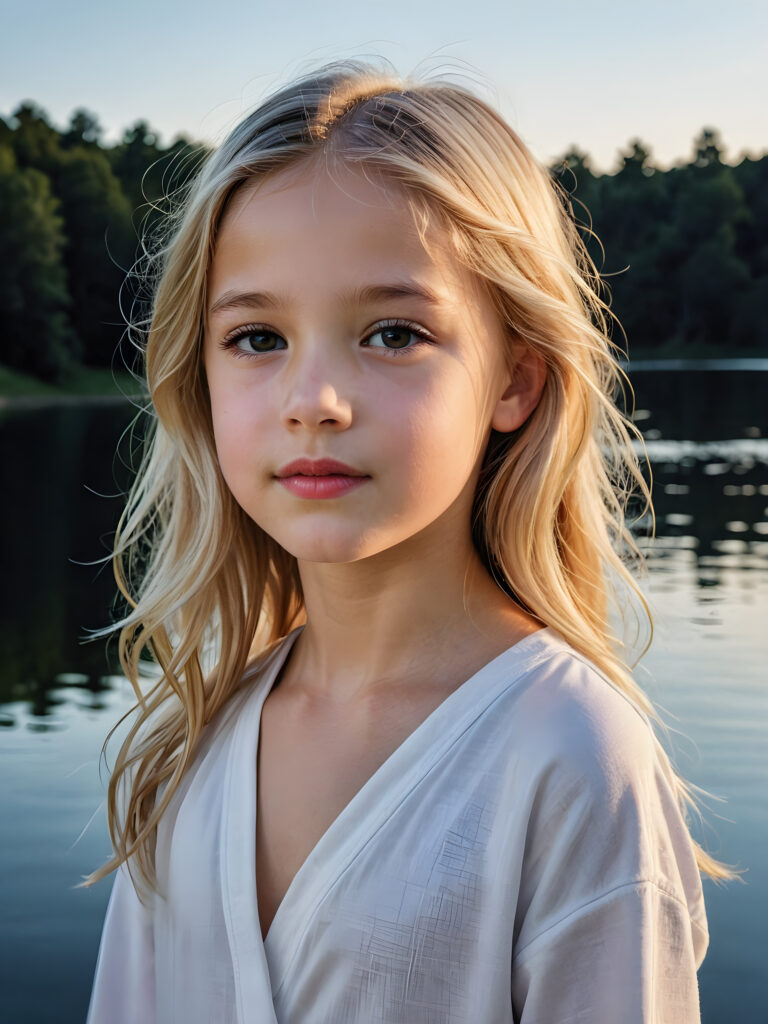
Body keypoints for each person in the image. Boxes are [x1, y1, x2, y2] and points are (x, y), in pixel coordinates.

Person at [83, 57, 732, 1024]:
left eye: (392, 334)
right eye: (258, 338)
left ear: (516, 380)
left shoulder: (570, 759)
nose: (314, 403)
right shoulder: (193, 746)